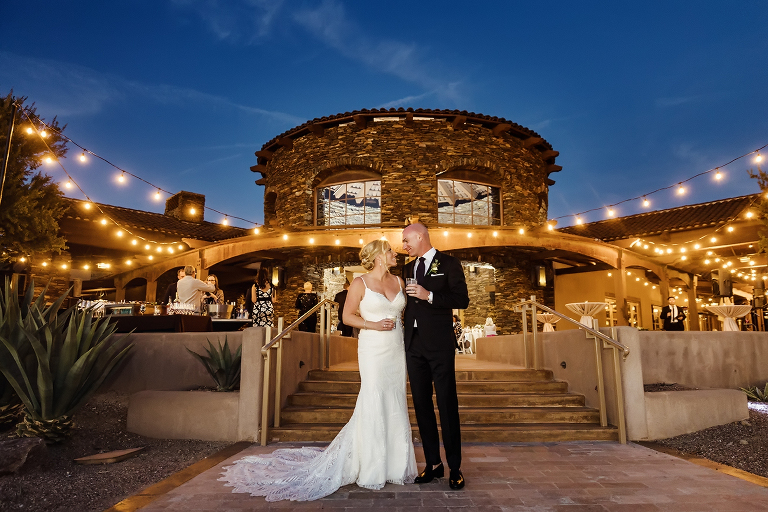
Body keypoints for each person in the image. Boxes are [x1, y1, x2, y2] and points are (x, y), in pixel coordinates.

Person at [219, 239, 417, 501]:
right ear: (379, 256)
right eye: (390, 250)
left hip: (396, 350)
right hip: (373, 349)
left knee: (395, 399)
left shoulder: (400, 282)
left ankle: (395, 465)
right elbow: (347, 317)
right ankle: (372, 467)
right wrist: (372, 325)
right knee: (374, 397)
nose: (395, 253)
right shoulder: (360, 283)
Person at [402, 222, 469, 490]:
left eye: (407, 240)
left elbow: (461, 299)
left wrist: (429, 295)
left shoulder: (450, 263)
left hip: (440, 345)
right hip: (413, 345)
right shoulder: (407, 268)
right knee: (421, 405)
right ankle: (433, 464)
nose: (404, 245)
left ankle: (454, 467)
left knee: (446, 404)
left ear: (420, 237)